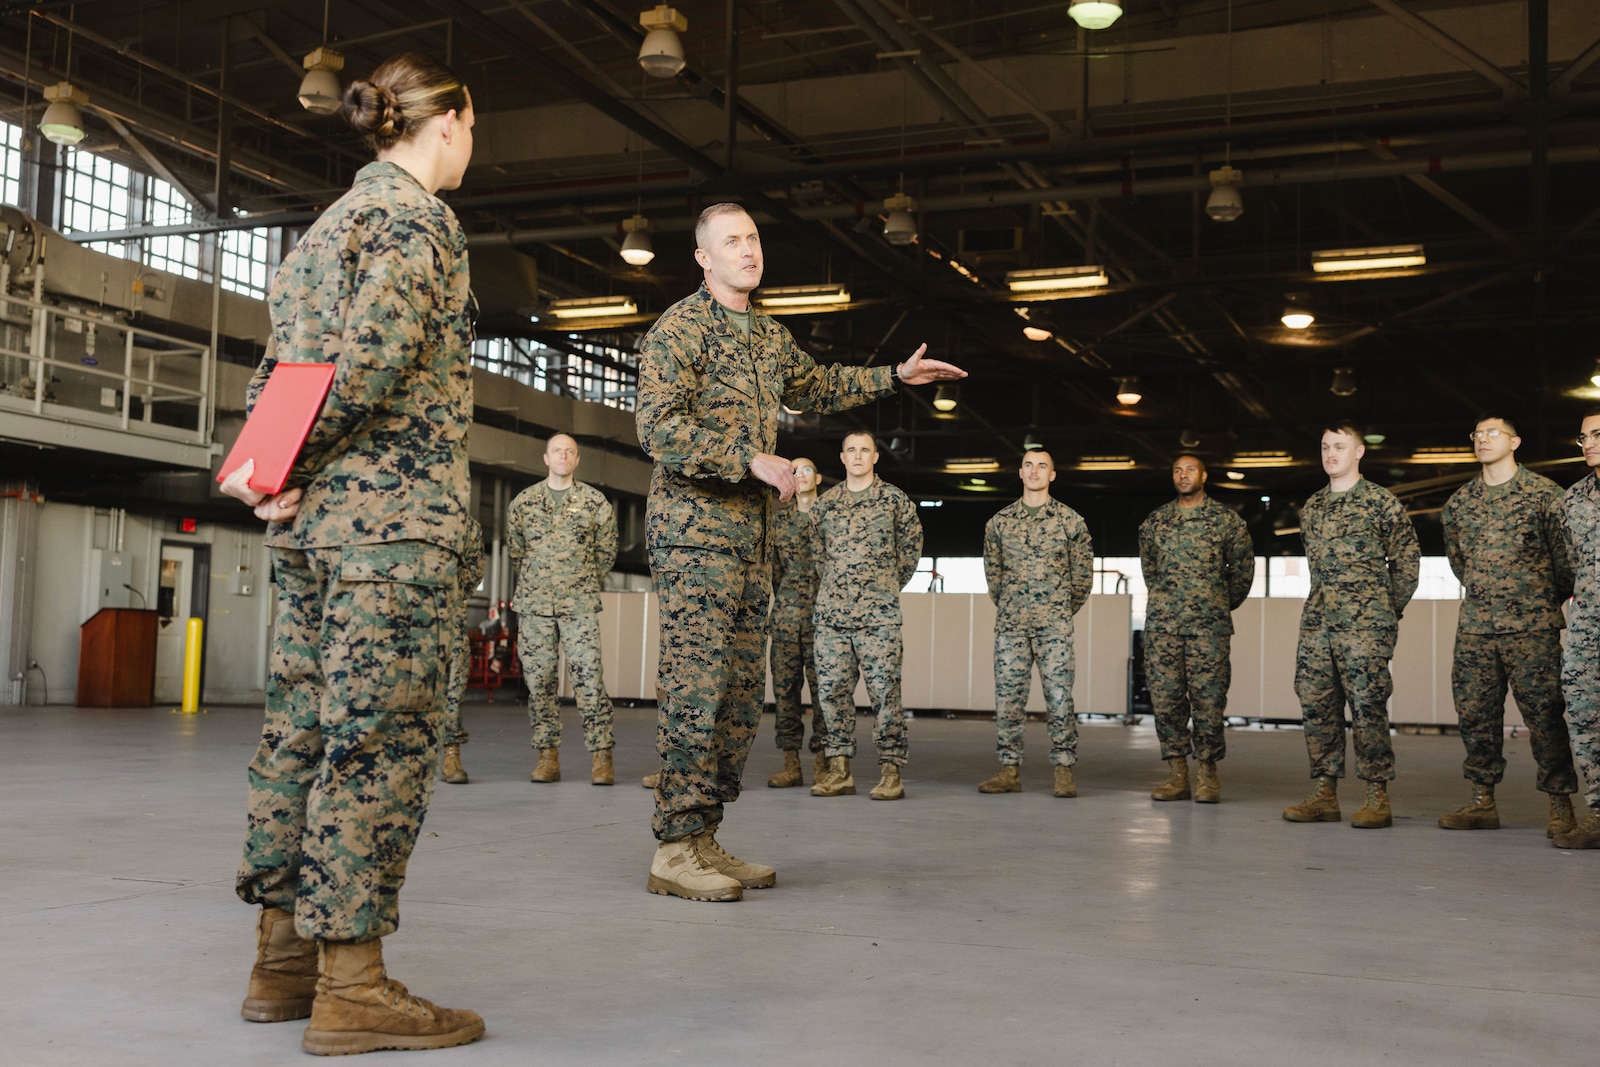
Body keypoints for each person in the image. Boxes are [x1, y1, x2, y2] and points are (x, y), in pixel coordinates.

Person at [219, 53, 484, 1055]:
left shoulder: (324, 227)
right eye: (472, 125)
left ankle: (280, 958)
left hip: (311, 531)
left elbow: (283, 370)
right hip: (392, 532)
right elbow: (370, 364)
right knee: (376, 745)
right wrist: (307, 453)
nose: (471, 144)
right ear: (448, 120)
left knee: (298, 734)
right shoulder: (417, 221)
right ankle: (354, 984)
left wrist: (269, 466)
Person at [635, 201, 965, 902]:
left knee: (735, 695)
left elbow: (819, 385)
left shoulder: (767, 336)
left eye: (753, 237)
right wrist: (749, 458)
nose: (747, 249)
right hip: (694, 536)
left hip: (751, 541)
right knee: (696, 689)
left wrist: (893, 379)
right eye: (731, 241)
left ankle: (702, 834)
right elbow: (659, 430)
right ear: (703, 257)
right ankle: (673, 843)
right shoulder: (680, 329)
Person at [1438, 416, 1577, 836]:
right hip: (1477, 628)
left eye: (1492, 433)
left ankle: (1560, 805)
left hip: (1532, 628)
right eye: (1476, 434)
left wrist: (1534, 600)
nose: (1482, 439)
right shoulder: (1460, 503)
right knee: (1474, 715)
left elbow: (1566, 563)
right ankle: (1482, 801)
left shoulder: (1544, 496)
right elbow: (1460, 563)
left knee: (1545, 716)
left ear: (1515, 441)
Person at [1282, 421, 1419, 830]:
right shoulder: (1313, 507)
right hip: (1318, 623)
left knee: (1367, 706)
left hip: (1366, 627)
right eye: (1325, 446)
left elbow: (1407, 561)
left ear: (1359, 452)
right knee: (1317, 705)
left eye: (1339, 446)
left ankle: (1377, 794)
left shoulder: (1381, 502)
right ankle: (1325, 792)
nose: (1330, 454)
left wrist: (1383, 611)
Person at [809, 432, 923, 801]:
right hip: (832, 617)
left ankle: (891, 773)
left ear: (875, 457)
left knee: (886, 696)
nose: (858, 456)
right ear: (842, 458)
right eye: (851, 451)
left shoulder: (894, 501)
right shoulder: (824, 506)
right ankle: (839, 770)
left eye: (864, 450)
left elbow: (910, 550)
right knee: (831, 695)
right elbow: (818, 557)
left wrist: (884, 586)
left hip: (878, 618)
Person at [977, 448, 1093, 798]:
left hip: (1054, 628)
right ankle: (1008, 769)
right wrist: (1014, 606)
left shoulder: (1071, 522)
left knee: (1060, 699)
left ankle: (1063, 770)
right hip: (1011, 626)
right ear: (1020, 472)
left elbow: (1082, 579)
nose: (1035, 471)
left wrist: (1056, 610)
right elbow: (993, 577)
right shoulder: (999, 523)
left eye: (1042, 466)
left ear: (1052, 475)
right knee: (1008, 699)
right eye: (1028, 465)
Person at [1138, 454, 1254, 804]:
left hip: (1209, 629)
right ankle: (1177, 775)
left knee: (1209, 703)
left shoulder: (1226, 521)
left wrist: (1216, 603)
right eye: (1177, 470)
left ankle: (1207, 774)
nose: (1183, 475)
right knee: (1167, 702)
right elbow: (1150, 572)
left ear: (1204, 474)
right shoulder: (1156, 522)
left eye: (1189, 469)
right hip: (1164, 629)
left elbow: (1242, 574)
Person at [506, 433, 620, 786]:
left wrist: (581, 581)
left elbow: (607, 552)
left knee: (589, 680)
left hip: (579, 604)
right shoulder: (523, 503)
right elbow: (516, 551)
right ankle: (547, 757)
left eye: (570, 451)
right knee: (539, 681)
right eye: (557, 450)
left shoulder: (594, 503)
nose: (563, 456)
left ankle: (601, 757)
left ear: (577, 459)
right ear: (546, 458)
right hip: (535, 604)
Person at [766, 456, 826, 788]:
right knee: (786, 694)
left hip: (822, 622)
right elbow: (775, 573)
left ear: (817, 477)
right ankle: (791, 763)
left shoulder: (830, 517)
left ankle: (823, 761)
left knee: (823, 696)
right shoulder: (778, 521)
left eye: (806, 469)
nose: (800, 475)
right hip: (787, 621)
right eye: (794, 470)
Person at [1556, 406, 1600, 849]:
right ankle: (1599, 813)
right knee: (1585, 714)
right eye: (1584, 437)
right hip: (1588, 626)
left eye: (1597, 435)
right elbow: (1572, 562)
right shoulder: (1573, 499)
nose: (1588, 443)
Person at [439, 517, 485, 784]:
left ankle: (451, 753)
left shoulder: (466, 524)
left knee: (454, 688)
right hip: (404, 618)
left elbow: (475, 568)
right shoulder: (403, 513)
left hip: (451, 616)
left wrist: (449, 591)